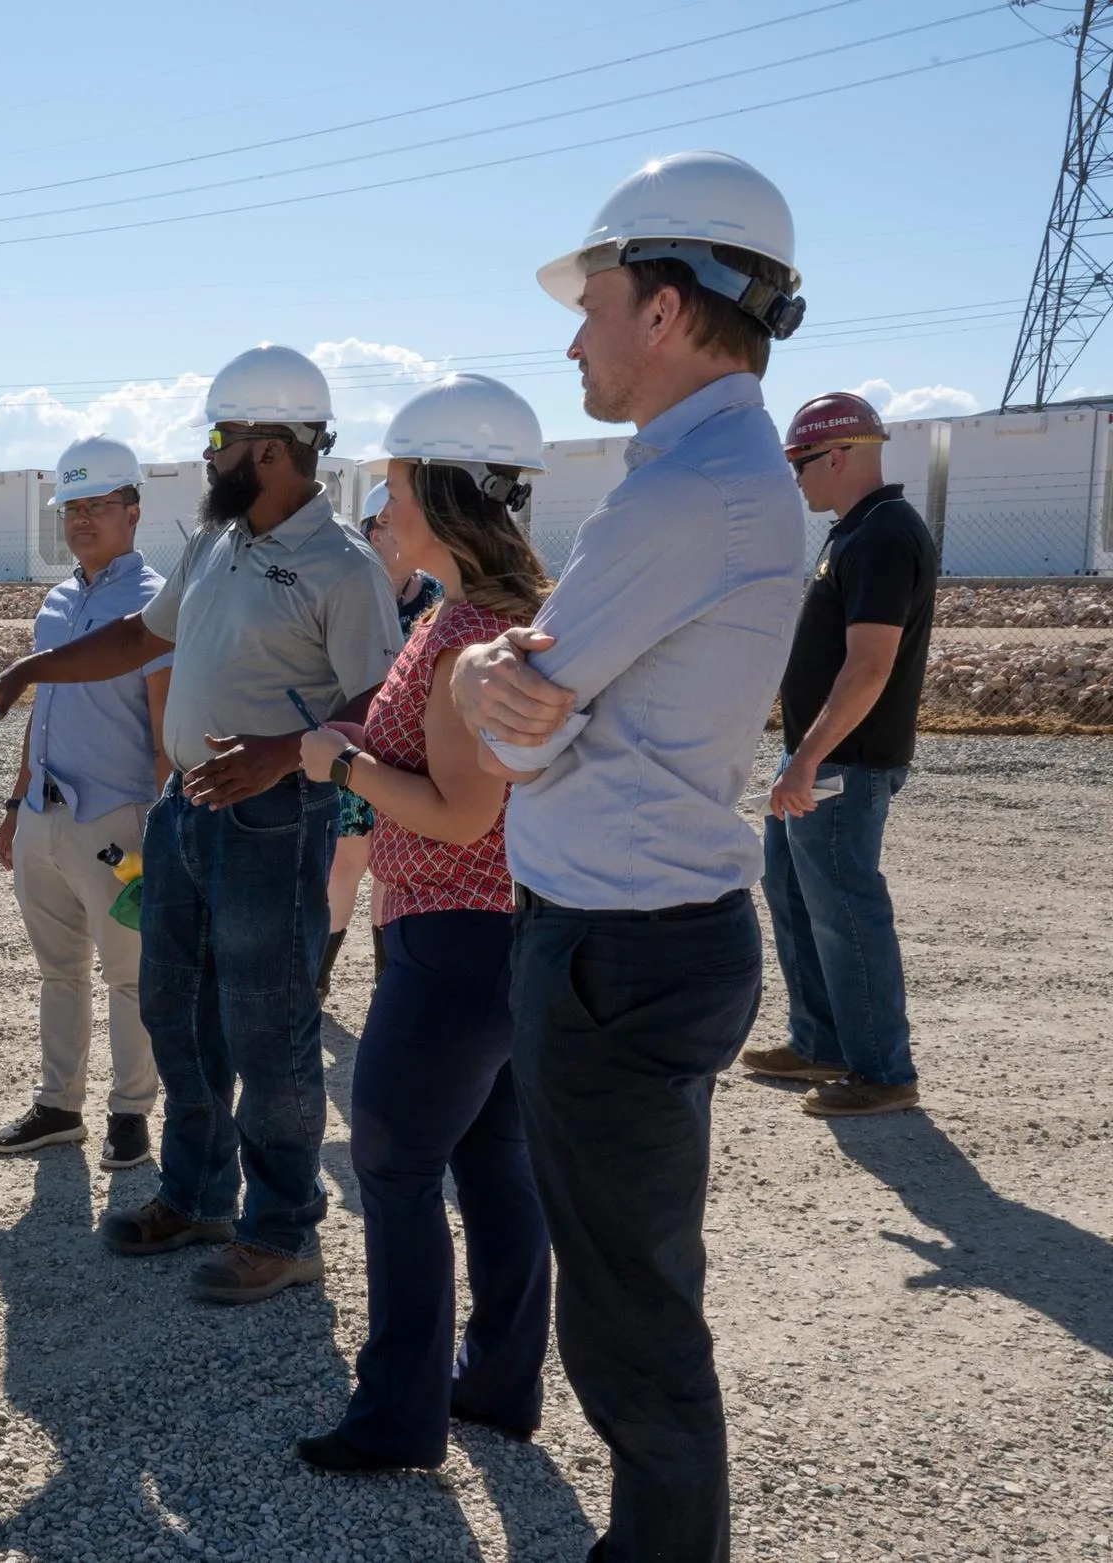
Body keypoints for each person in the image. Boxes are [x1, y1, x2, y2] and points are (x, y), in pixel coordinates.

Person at [449, 150, 810, 1562]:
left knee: (629, 1307)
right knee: (634, 1282)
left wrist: (494, 680)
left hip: (617, 944)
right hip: (648, 935)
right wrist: (499, 664)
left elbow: (514, 745)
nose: (575, 333)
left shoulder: (681, 496)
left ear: (665, 306)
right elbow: (518, 683)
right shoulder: (719, 476)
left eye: (593, 299)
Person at [0, 345, 401, 1305]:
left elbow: (383, 703)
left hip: (276, 817)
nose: (207, 459)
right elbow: (142, 638)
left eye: (219, 440)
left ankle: (282, 1231)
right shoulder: (217, 543)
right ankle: (196, 1193)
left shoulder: (342, 565)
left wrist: (283, 750)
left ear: (273, 447)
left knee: (266, 1024)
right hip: (187, 807)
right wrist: (30, 671)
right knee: (173, 1006)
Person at [289, 375, 555, 1475]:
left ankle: (398, 1416)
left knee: (394, 1164)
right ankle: (493, 1385)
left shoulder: (466, 639)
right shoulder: (467, 620)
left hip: (451, 937)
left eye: (394, 490)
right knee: (495, 1170)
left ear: (446, 498)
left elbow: (459, 812)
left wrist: (339, 760)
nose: (380, 513)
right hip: (486, 938)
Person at [741, 390, 937, 1117]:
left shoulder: (884, 534)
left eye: (799, 464)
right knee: (792, 891)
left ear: (836, 454)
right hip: (822, 758)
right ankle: (820, 1040)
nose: (795, 479)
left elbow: (868, 667)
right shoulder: (854, 531)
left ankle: (883, 1072)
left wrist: (805, 760)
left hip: (842, 763)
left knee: (846, 910)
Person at [0, 437, 172, 1172]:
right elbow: (44, 703)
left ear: (132, 511)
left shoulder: (155, 603)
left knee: (128, 974)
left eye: (98, 506)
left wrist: (157, 829)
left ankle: (131, 1111)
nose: (83, 520)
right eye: (73, 508)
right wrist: (15, 800)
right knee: (58, 969)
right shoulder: (58, 601)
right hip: (45, 815)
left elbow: (164, 729)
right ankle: (59, 1103)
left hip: (118, 822)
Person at [318, 477, 445, 1010]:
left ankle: (386, 978)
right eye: (382, 528)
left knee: (393, 866)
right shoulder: (349, 589)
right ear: (368, 532)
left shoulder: (435, 598)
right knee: (346, 862)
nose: (391, 540)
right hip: (357, 744)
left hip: (408, 753)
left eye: (397, 526)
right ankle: (317, 979)